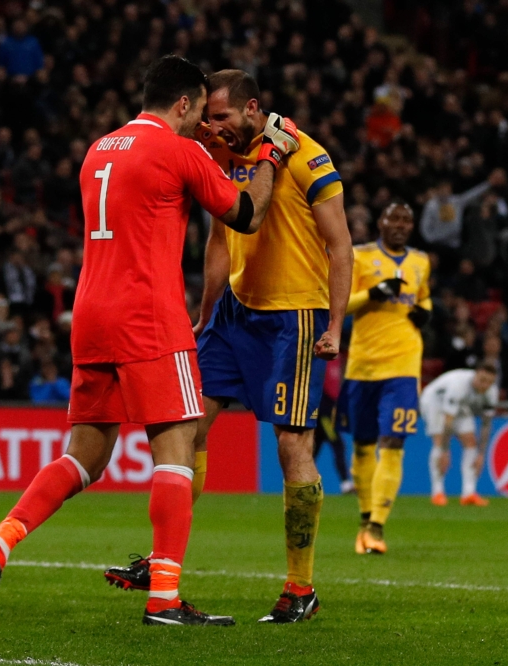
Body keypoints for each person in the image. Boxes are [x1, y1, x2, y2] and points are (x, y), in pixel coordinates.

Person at [0, 55, 295, 626]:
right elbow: (246, 214)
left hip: (91, 314)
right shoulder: (179, 149)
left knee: (84, 456)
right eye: (199, 114)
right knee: (176, 449)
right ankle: (164, 598)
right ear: (184, 103)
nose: (202, 127)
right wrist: (270, 153)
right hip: (149, 314)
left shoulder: (100, 148)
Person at [105, 69, 352, 624]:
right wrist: (206, 308)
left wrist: (335, 324)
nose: (210, 128)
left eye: (219, 118)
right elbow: (221, 235)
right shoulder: (221, 152)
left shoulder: (308, 157)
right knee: (186, 426)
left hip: (296, 317)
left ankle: (300, 586)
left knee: (292, 447)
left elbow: (341, 246)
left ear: (251, 109)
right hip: (236, 315)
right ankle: (162, 560)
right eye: (206, 118)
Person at [339, 202, 432, 555]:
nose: (400, 225)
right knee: (363, 445)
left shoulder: (421, 261)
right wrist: (373, 294)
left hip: (404, 365)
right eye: (394, 217)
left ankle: (377, 525)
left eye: (407, 220)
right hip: (362, 366)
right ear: (381, 221)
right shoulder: (358, 256)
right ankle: (364, 519)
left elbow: (423, 298)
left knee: (393, 441)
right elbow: (339, 302)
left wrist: (425, 311)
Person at [422, 364, 499, 507]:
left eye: (489, 382)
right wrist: (445, 451)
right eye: (482, 380)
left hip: (460, 405)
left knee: (470, 442)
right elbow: (448, 421)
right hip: (434, 401)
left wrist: (481, 454)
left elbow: (486, 424)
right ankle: (437, 492)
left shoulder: (491, 392)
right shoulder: (459, 385)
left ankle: (468, 493)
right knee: (439, 441)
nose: (485, 385)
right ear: (475, 375)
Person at [312, 357, 353, 495]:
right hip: (324, 413)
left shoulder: (335, 359)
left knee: (314, 449)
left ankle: (299, 481)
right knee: (338, 444)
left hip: (329, 410)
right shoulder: (321, 358)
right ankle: (345, 483)